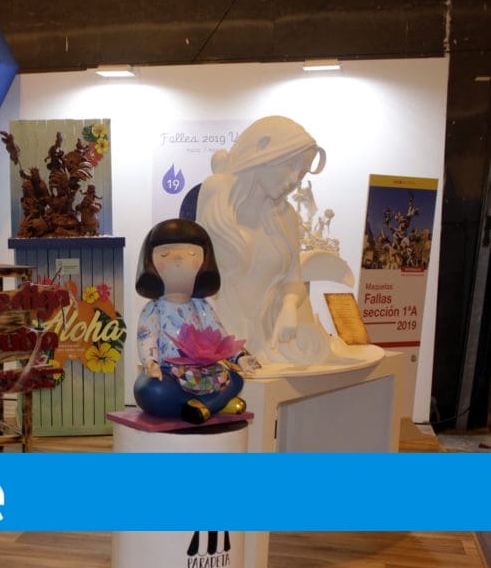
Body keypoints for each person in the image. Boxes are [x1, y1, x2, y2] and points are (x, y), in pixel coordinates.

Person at [196, 116, 357, 367]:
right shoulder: (218, 196)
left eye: (302, 173)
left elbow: (293, 280)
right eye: (290, 166)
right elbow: (198, 271)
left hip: (271, 335)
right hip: (223, 332)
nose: (295, 180)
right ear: (262, 152)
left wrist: (290, 307)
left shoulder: (286, 216)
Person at [133, 219, 256, 424]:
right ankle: (215, 403)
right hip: (168, 372)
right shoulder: (154, 308)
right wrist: (151, 363)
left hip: (203, 371)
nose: (178, 258)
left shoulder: (202, 306)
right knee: (152, 390)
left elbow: (219, 335)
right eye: (165, 254)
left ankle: (201, 406)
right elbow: (147, 336)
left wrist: (239, 357)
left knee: (235, 378)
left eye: (191, 254)